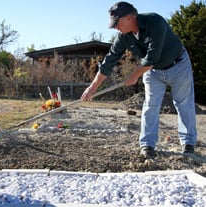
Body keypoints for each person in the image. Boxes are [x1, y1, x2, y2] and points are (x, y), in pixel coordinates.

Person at [81, 1, 197, 158]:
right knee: (150, 105)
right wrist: (93, 87)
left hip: (178, 65)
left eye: (117, 23)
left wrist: (135, 74)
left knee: (183, 104)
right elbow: (109, 60)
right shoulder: (123, 37)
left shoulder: (155, 21)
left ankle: (188, 144)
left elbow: (152, 57)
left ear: (129, 18)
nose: (115, 27)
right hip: (153, 71)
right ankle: (147, 145)